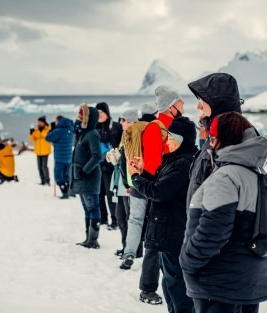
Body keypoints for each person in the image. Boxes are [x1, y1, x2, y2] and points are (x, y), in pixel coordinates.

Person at [180, 112, 267, 313]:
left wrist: (187, 262)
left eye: (213, 138)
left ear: (225, 139)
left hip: (219, 284)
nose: (210, 144)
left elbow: (213, 231)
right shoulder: (259, 174)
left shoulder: (226, 177)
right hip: (249, 280)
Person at [121, 85, 185, 306]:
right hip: (156, 190)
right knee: (154, 241)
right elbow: (154, 164)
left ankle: (163, 286)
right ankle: (147, 288)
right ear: (170, 106)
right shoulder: (156, 128)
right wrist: (160, 184)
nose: (184, 104)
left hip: (166, 189)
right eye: (180, 101)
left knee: (161, 240)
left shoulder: (172, 126)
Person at [128, 117, 197, 313]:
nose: (167, 141)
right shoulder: (176, 160)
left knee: (177, 286)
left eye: (171, 138)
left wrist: (135, 178)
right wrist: (143, 173)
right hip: (169, 231)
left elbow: (159, 192)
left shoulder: (183, 164)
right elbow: (161, 184)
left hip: (173, 232)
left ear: (182, 139)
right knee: (170, 285)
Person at [186, 73, 243, 206]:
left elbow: (224, 203)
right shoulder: (216, 135)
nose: (198, 107)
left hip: (208, 224)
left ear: (217, 103)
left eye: (201, 101)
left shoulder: (228, 140)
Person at [70, 103, 102, 249]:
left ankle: (93, 240)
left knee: (93, 207)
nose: (79, 116)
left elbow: (97, 156)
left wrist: (85, 170)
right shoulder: (83, 133)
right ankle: (88, 238)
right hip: (81, 177)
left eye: (82, 114)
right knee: (87, 208)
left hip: (89, 177)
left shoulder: (93, 134)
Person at [112, 108, 143, 258]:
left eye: (123, 120)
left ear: (130, 121)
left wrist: (130, 183)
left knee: (132, 218)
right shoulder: (126, 136)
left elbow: (133, 160)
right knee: (122, 217)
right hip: (124, 182)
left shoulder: (135, 137)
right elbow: (123, 158)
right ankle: (127, 247)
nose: (120, 123)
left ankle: (134, 250)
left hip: (132, 183)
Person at [96, 102, 123, 229]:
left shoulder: (115, 126)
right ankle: (102, 219)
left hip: (110, 167)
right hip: (97, 167)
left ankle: (115, 220)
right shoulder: (95, 127)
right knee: (99, 194)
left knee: (111, 194)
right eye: (98, 113)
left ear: (107, 113)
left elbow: (120, 145)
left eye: (102, 112)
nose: (99, 115)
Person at [46, 115, 74, 199]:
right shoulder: (71, 129)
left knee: (58, 176)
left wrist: (52, 129)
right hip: (69, 157)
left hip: (59, 158)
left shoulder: (58, 131)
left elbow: (48, 138)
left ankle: (65, 192)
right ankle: (70, 191)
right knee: (67, 175)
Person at [29, 116, 52, 185]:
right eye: (38, 122)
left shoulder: (48, 129)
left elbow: (45, 135)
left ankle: (47, 180)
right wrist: (31, 133)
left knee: (44, 166)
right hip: (38, 151)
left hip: (45, 151)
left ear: (43, 122)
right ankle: (42, 180)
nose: (38, 123)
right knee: (39, 167)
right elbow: (32, 139)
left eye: (40, 122)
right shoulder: (36, 130)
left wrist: (39, 132)